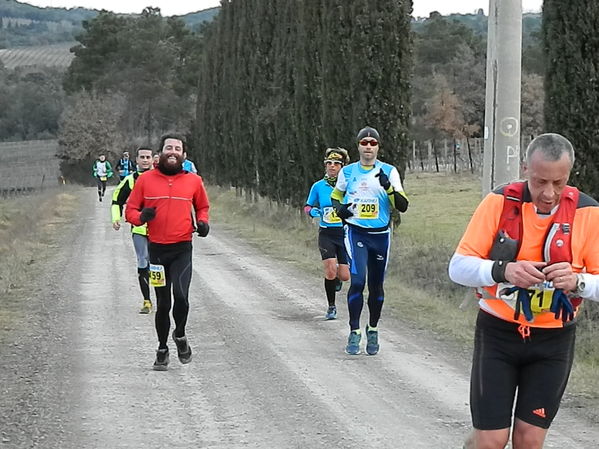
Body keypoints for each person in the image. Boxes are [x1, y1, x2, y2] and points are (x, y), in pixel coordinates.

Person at [448, 133, 599, 449]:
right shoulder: (499, 202)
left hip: (554, 340)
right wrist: (504, 270)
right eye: (540, 181)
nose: (549, 193)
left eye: (559, 183)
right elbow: (457, 267)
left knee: (529, 440)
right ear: (525, 169)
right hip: (498, 335)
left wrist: (578, 282)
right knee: (491, 440)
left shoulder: (589, 213)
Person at [126, 134, 210, 371]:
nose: (172, 152)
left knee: (181, 297)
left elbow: (202, 207)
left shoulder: (193, 181)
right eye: (168, 148)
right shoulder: (145, 181)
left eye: (177, 148)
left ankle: (180, 335)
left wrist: (203, 223)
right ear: (160, 153)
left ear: (184, 154)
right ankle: (162, 349)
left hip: (182, 248)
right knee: (163, 303)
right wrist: (141, 217)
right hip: (157, 251)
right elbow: (130, 209)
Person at [331, 126, 409, 355]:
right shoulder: (348, 172)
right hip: (356, 233)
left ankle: (372, 328)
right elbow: (337, 195)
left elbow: (402, 206)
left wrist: (388, 187)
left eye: (372, 143)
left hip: (380, 236)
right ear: (358, 146)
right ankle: (354, 331)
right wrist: (339, 210)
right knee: (357, 282)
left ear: (378, 147)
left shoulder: (389, 171)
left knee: (376, 287)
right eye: (364, 142)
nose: (368, 146)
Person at [305, 147, 351, 320]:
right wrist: (312, 212)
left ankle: (337, 279)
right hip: (326, 233)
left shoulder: (348, 185)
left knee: (345, 276)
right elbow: (307, 205)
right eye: (329, 163)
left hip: (345, 234)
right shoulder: (318, 186)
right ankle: (331, 307)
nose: (332, 167)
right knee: (330, 270)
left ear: (342, 167)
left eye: (336, 164)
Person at [111, 147, 154, 314]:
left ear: (153, 159)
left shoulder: (162, 178)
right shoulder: (130, 180)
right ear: (136, 160)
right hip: (139, 228)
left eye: (148, 157)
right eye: (142, 157)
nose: (145, 160)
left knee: (158, 265)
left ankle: (163, 299)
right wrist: (116, 218)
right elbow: (116, 200)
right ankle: (147, 301)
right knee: (143, 261)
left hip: (161, 229)